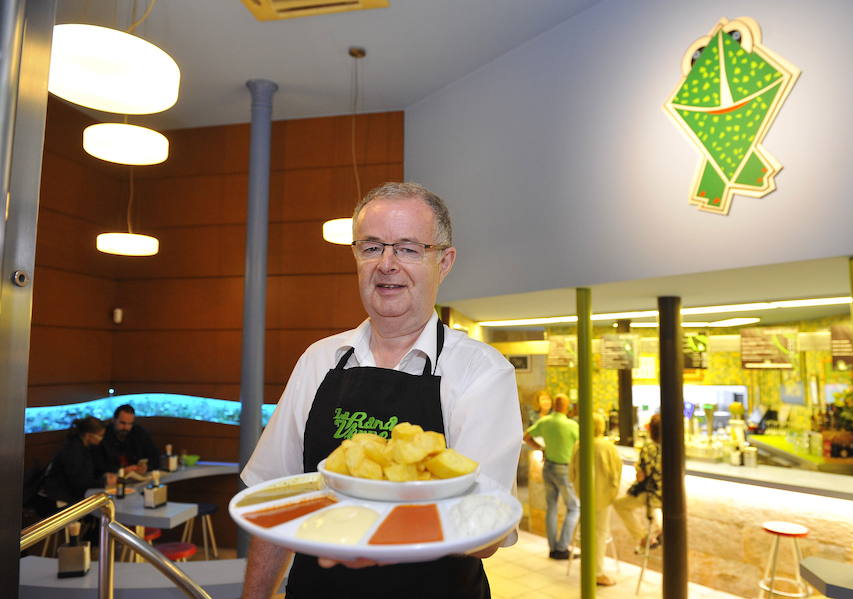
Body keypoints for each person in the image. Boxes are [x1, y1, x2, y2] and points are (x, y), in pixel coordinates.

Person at [240, 182, 522, 599]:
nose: (387, 264)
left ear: (444, 262)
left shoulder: (481, 372)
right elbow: (274, 498)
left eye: (408, 248)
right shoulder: (319, 360)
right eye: (372, 247)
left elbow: (486, 539)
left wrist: (385, 540)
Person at [523, 393, 580, 560]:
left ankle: (553, 547)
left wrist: (541, 448)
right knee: (574, 508)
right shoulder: (572, 425)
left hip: (548, 467)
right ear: (567, 407)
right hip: (564, 469)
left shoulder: (545, 421)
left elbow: (526, 437)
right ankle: (562, 548)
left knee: (552, 508)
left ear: (554, 405)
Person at [570, 411, 622, 586]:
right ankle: (597, 572)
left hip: (584, 496)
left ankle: (588, 566)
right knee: (600, 533)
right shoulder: (607, 447)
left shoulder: (579, 444)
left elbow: (572, 473)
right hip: (602, 497)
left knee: (587, 532)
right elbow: (615, 474)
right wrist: (613, 491)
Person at [39, 417, 117, 511]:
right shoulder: (73, 451)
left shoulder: (84, 446)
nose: (101, 439)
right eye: (100, 435)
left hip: (72, 493)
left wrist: (104, 476)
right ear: (88, 435)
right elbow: (78, 483)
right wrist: (104, 481)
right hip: (61, 499)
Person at [613, 412, 662, 553]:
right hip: (669, 497)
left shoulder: (648, 448)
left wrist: (637, 467)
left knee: (619, 505)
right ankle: (659, 532)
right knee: (654, 511)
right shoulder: (675, 447)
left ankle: (644, 539)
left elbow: (641, 477)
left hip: (652, 496)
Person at [97, 404, 160, 474]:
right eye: (122, 423)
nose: (126, 427)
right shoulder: (103, 435)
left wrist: (146, 467)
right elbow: (99, 466)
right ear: (114, 420)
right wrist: (122, 471)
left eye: (130, 424)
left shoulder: (138, 432)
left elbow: (155, 457)